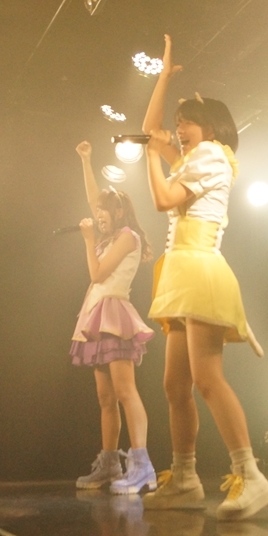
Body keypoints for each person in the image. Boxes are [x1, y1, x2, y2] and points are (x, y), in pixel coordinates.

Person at [140, 35, 268, 520]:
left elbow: (163, 199)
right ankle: (185, 477)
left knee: (207, 378)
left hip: (199, 267)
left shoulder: (212, 155)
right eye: (178, 123)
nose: (178, 130)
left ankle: (251, 476)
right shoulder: (191, 159)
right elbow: (150, 130)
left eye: (187, 122)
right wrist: (162, 78)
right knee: (175, 385)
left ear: (211, 128)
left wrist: (150, 156)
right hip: (181, 270)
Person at [71, 141, 157, 494]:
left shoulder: (126, 236)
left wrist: (88, 240)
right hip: (95, 315)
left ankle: (142, 465)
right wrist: (86, 161)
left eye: (104, 210)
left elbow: (98, 274)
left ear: (119, 212)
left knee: (125, 391)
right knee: (105, 397)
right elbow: (95, 198)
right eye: (96, 211)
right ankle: (109, 465)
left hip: (115, 314)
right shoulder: (108, 237)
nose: (97, 214)